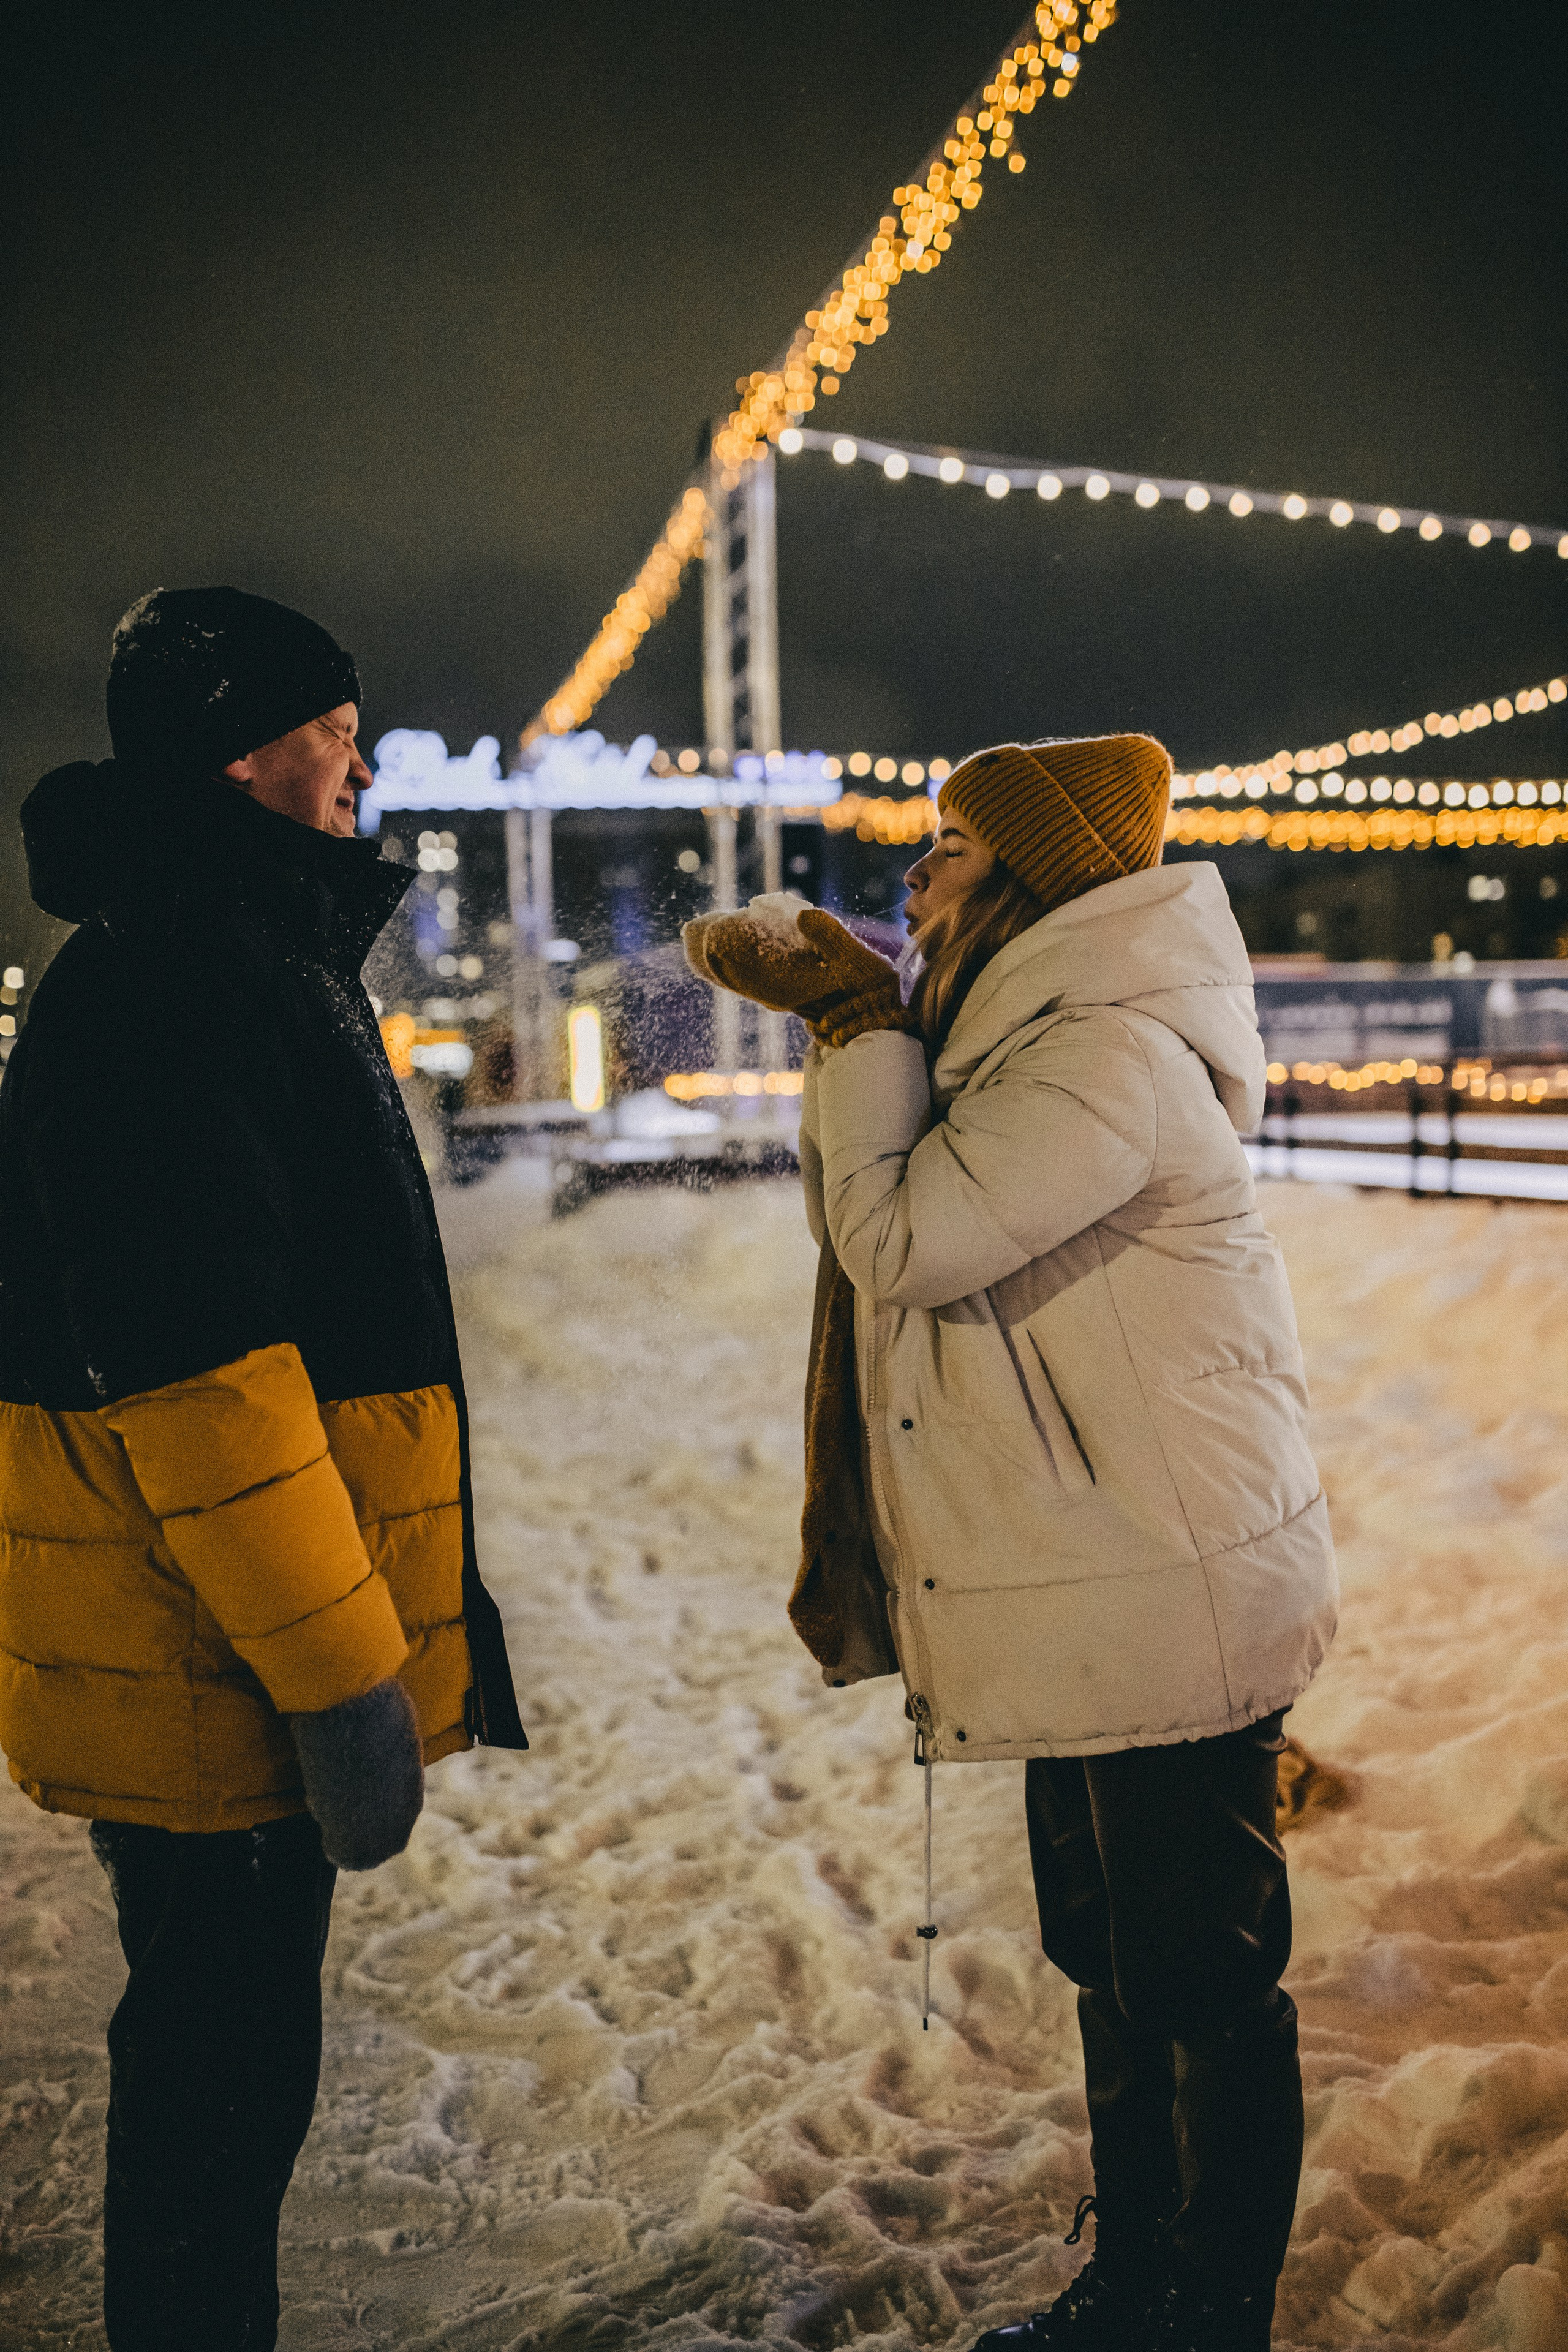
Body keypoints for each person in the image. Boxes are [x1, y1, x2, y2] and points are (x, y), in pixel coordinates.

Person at [684, 734, 1336, 2352]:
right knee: (1117, 1967)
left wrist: (855, 1023)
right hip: (1095, 1583)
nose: (919, 874)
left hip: (1159, 1590)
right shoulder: (1018, 1036)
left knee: (1198, 1983)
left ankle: (1212, 2312)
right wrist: (887, 1032)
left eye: (956, 849)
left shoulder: (1099, 1051)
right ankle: (1140, 2284)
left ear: (1036, 875)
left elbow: (906, 1235)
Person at [0, 587, 527, 2351]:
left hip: (204, 1631)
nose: (363, 760)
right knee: (215, 2105)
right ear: (245, 749)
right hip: (211, 1649)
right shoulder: (181, 973)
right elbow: (204, 1380)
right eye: (336, 727)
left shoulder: (224, 948)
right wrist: (339, 1677)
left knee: (225, 2085)